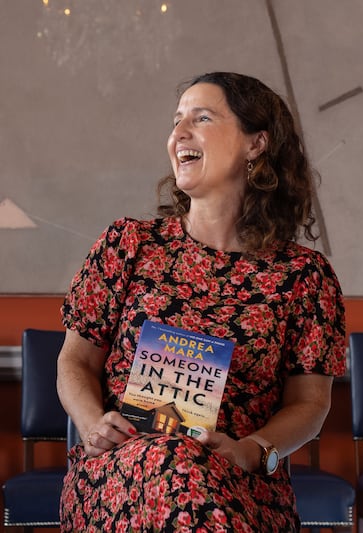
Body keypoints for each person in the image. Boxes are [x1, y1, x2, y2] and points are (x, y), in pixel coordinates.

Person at [56, 72, 346, 532]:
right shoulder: (128, 244)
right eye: (177, 120)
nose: (179, 134)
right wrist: (95, 425)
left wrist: (253, 449)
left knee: (186, 475)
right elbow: (74, 362)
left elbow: (311, 404)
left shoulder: (304, 277)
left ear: (256, 145)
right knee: (169, 458)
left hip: (240, 481)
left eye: (202, 117)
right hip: (120, 471)